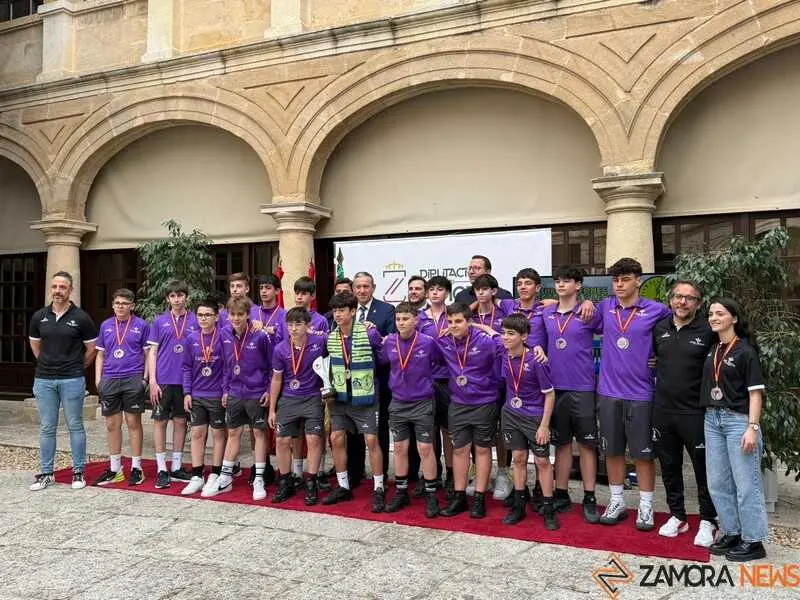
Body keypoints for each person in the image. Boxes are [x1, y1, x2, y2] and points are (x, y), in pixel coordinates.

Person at [596, 258, 672, 530]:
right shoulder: (604, 307)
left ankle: (646, 504)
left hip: (641, 393)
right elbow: (573, 312)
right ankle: (616, 501)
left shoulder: (657, 310)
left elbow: (674, 337)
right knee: (612, 449)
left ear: (638, 280)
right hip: (609, 391)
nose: (619, 285)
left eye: (625, 279)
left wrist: (661, 357)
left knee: (643, 453)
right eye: (615, 280)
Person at [652, 280, 717, 546]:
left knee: (704, 469)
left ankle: (708, 520)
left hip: (695, 412)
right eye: (678, 296)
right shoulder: (659, 328)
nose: (682, 302)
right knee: (669, 467)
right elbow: (654, 359)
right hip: (663, 410)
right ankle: (678, 515)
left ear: (698, 304)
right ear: (670, 300)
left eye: (689, 298)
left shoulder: (708, 330)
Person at [703, 298, 768, 562]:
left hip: (738, 421)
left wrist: (752, 427)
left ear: (734, 318)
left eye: (720, 313)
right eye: (711, 313)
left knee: (746, 484)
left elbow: (756, 394)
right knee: (718, 482)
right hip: (712, 419)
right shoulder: (714, 348)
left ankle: (753, 540)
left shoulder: (745, 351)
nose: (714, 317)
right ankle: (732, 532)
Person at [540, 265, 603, 523]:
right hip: (556, 388)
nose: (561, 285)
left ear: (578, 285)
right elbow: (536, 341)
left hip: (583, 387)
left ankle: (590, 497)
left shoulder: (588, 311)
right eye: (557, 281)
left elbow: (614, 331)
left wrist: (589, 302)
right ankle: (562, 493)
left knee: (587, 445)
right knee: (562, 444)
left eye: (567, 281)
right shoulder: (547, 312)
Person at [28, 271, 98, 491]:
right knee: (47, 427)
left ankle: (78, 472)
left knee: (75, 425)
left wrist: (76, 366)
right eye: (55, 287)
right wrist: (48, 363)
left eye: (62, 287)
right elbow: (35, 346)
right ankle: (47, 474)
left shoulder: (82, 318)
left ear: (70, 290)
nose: (58, 291)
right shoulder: (39, 316)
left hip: (72, 379)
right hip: (44, 380)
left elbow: (92, 349)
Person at [436, 302, 503, 518]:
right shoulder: (444, 341)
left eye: (458, 321)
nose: (453, 325)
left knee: (482, 450)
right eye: (450, 321)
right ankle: (460, 496)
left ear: (469, 322)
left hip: (484, 402)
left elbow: (505, 345)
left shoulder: (485, 341)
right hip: (458, 403)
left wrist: (486, 328)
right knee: (459, 450)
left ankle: (480, 498)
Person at [322, 291, 386, 511]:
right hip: (340, 396)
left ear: (352, 311)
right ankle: (343, 486)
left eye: (342, 310)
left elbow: (384, 358)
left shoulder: (369, 333)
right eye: (335, 311)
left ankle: (379, 488)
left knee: (371, 440)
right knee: (336, 437)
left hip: (365, 395)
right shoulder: (331, 337)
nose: (338, 315)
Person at [380, 303, 443, 518]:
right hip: (398, 402)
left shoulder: (427, 342)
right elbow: (381, 359)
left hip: (422, 402)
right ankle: (401, 492)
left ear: (416, 320)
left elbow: (440, 362)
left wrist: (426, 383)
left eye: (406, 319)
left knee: (425, 448)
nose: (401, 323)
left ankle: (431, 494)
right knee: (399, 447)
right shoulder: (389, 342)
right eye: (398, 319)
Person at [495, 313, 558, 529]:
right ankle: (519, 505)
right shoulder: (503, 353)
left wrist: (544, 425)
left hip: (534, 416)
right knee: (519, 458)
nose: (505, 337)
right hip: (511, 414)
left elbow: (550, 395)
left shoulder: (536, 361)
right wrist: (473, 322)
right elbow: (490, 333)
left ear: (524, 337)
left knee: (542, 461)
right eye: (504, 333)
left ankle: (548, 508)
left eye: (511, 334)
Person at [205, 297, 272, 500]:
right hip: (234, 391)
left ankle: (259, 478)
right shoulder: (224, 333)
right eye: (233, 314)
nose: (236, 318)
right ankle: (225, 477)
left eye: (240, 314)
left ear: (248, 315)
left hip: (256, 392)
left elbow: (271, 366)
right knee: (233, 432)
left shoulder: (260, 335)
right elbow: (226, 365)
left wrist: (268, 389)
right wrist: (226, 390)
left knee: (259, 433)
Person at [269, 307, 329, 504]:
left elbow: (338, 340)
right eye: (290, 324)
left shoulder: (319, 342)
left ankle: (311, 481)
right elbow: (276, 379)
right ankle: (285, 481)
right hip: (288, 398)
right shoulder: (280, 349)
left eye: (298, 324)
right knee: (281, 441)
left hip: (312, 397)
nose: (293, 328)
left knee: (313, 439)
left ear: (308, 325)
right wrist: (272, 409)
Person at [92, 289, 149, 487]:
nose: (120, 307)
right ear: (113, 305)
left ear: (132, 306)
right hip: (110, 379)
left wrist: (145, 379)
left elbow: (148, 353)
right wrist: (98, 380)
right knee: (111, 424)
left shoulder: (141, 325)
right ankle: (115, 469)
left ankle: (136, 467)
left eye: (125, 303)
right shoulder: (106, 325)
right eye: (117, 303)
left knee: (133, 422)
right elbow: (100, 354)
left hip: (133, 378)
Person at [147, 280, 198, 488]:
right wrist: (152, 380)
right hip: (163, 381)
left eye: (180, 295)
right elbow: (152, 352)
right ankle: (161, 469)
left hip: (185, 381)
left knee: (180, 422)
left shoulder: (195, 319)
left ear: (186, 297)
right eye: (173, 296)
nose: (177, 299)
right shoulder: (159, 321)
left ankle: (176, 467)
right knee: (160, 422)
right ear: (168, 299)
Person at [351, 272, 396, 486]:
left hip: (379, 379)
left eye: (366, 286)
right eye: (358, 287)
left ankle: (381, 475)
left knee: (379, 430)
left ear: (373, 288)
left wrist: (375, 333)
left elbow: (391, 341)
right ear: (353, 289)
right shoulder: (347, 310)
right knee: (353, 429)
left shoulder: (386, 310)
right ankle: (355, 472)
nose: (362, 290)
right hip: (353, 381)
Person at [470, 273, 512, 500]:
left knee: (502, 429)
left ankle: (504, 473)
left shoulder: (505, 314)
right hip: (478, 381)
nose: (481, 293)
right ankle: (480, 474)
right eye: (478, 289)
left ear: (494, 291)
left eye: (485, 289)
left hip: (503, 378)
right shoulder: (469, 315)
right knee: (479, 429)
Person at [181, 298, 227, 496]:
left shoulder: (224, 337)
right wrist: (187, 392)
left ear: (216, 317)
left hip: (217, 394)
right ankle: (197, 475)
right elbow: (186, 367)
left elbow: (228, 366)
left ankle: (215, 474)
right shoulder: (191, 338)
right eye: (200, 315)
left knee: (218, 434)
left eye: (208, 315)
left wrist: (226, 390)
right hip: (197, 394)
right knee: (197, 434)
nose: (203, 318)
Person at [418, 275, 454, 496]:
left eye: (439, 289)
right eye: (431, 289)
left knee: (448, 430)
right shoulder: (420, 318)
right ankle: (431, 474)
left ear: (446, 293)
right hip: (427, 379)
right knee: (428, 431)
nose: (434, 293)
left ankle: (451, 474)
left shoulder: (454, 315)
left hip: (449, 380)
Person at [251, 274, 285, 344]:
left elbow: (285, 341)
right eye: (261, 288)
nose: (263, 291)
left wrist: (265, 329)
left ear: (277, 291)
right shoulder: (251, 312)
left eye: (268, 288)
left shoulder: (285, 315)